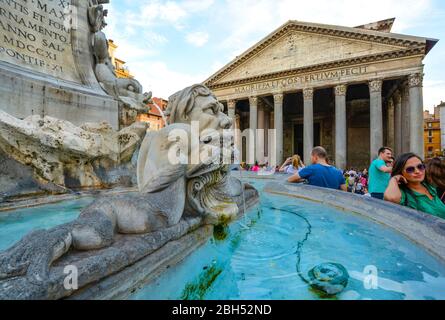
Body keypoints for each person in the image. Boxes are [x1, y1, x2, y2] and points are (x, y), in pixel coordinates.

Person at [384, 153, 445, 218]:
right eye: (410, 169)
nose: (417, 171)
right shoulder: (403, 193)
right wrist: (394, 179)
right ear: (401, 172)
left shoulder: (428, 186)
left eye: (420, 167)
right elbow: (391, 198)